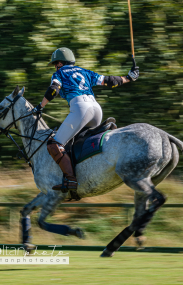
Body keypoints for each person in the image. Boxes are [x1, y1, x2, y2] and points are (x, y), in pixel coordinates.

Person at [33, 47, 139, 192]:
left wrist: (40, 106)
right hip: (97, 110)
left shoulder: (59, 73)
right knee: (75, 140)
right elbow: (109, 81)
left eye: (55, 63)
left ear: (59, 63)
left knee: (54, 144)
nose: (55, 66)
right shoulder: (84, 71)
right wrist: (129, 78)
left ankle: (70, 179)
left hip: (81, 109)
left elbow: (53, 90)